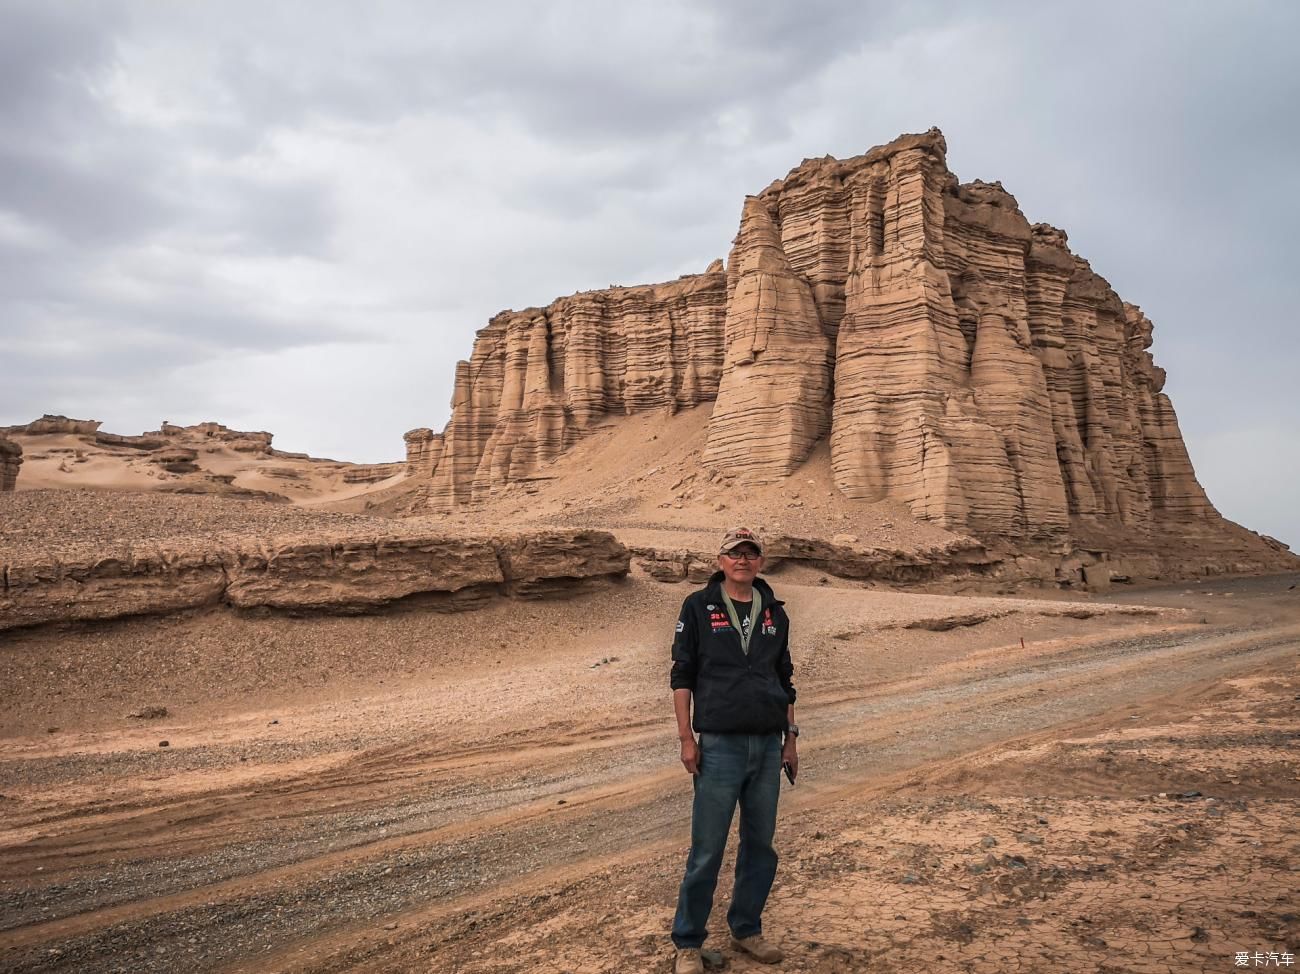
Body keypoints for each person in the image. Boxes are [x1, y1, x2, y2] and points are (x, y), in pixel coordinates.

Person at [669, 527, 799, 973]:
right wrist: (687, 738)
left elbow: (785, 679)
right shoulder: (699, 607)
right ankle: (688, 943)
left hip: (766, 745)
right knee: (707, 847)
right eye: (734, 554)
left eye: (751, 554)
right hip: (719, 745)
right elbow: (682, 675)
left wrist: (791, 739)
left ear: (760, 562)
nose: (742, 560)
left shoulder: (775, 613)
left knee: (760, 844)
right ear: (721, 561)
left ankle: (746, 930)